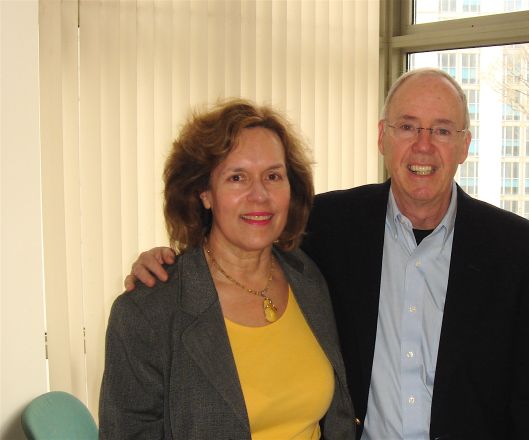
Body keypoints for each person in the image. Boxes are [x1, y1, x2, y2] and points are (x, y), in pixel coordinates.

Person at [126, 68, 529, 439]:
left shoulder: (521, 252)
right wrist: (168, 259)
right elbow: (238, 238)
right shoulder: (327, 228)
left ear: (464, 145)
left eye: (441, 130)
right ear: (382, 137)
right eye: (408, 126)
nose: (423, 145)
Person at [100, 99, 355, 439]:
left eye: (273, 176)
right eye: (237, 177)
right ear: (204, 192)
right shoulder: (148, 312)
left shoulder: (307, 277)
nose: (260, 195)